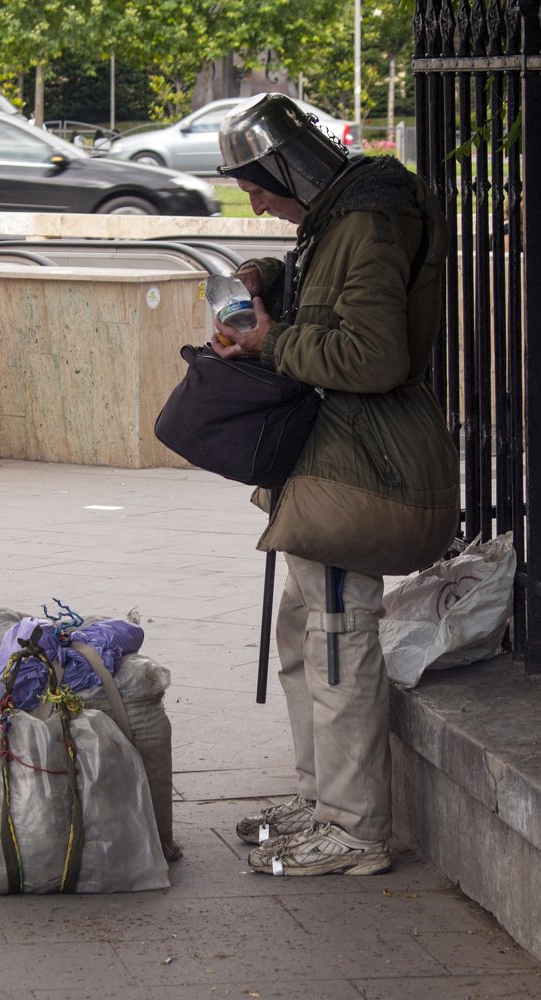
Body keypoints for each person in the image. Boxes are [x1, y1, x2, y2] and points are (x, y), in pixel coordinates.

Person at [212, 93, 460, 877]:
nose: (251, 197)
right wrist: (272, 279)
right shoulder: (344, 215)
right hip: (335, 457)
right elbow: (337, 302)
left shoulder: (370, 222)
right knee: (305, 631)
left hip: (366, 459)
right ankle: (322, 799)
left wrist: (271, 344)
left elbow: (374, 356)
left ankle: (354, 829)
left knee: (337, 640)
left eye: (256, 180)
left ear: (289, 165)